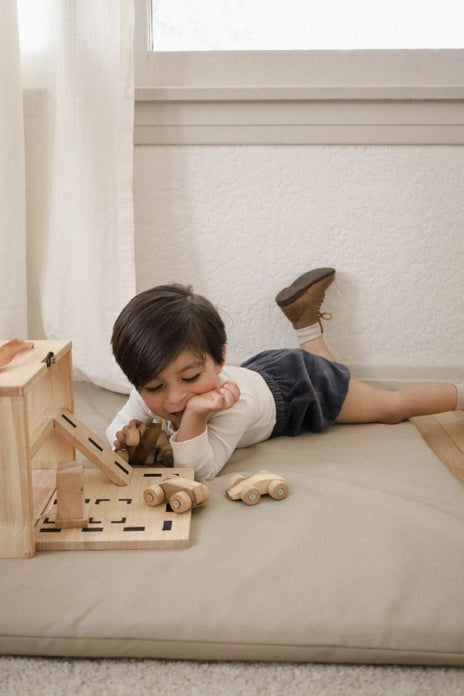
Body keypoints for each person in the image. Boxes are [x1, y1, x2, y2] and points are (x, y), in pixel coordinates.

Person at [106, 268, 463, 480]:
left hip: (301, 391)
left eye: (189, 378)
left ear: (219, 361)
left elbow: (199, 471)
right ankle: (305, 324)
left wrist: (198, 414)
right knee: (339, 370)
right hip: (266, 371)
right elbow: (112, 432)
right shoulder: (148, 391)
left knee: (391, 406)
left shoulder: (233, 403)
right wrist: (123, 435)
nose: (174, 398)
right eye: (154, 386)